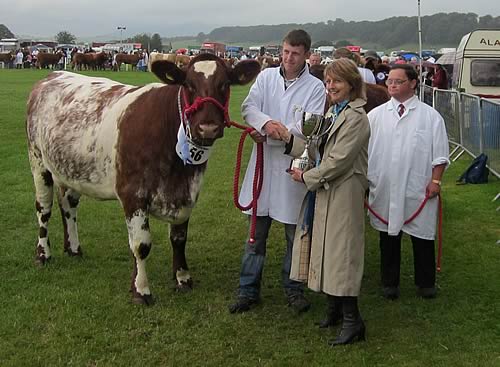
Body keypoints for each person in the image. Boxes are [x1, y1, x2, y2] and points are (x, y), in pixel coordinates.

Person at [228, 29, 326, 314]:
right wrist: (263, 124)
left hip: (292, 168)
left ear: (306, 54)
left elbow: (309, 129)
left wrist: (275, 133)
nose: (288, 58)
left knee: (293, 236)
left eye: (295, 53)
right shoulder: (267, 77)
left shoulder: (316, 88)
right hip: (261, 165)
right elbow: (249, 106)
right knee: (255, 235)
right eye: (285, 52)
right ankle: (248, 289)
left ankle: (293, 289)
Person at [283, 58, 370, 346]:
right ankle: (334, 310)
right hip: (326, 190)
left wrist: (306, 177)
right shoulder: (334, 111)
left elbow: (338, 162)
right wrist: (286, 140)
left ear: (352, 85)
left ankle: (353, 320)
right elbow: (314, 147)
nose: (330, 86)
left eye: (337, 81)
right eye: (328, 81)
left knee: (342, 254)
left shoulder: (356, 118)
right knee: (327, 250)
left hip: (344, 192)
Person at [367, 64, 449, 300]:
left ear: (413, 83)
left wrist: (436, 181)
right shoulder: (375, 116)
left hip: (418, 186)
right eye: (389, 81)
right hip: (384, 185)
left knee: (422, 236)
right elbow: (364, 151)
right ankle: (389, 282)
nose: (391, 85)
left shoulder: (430, 116)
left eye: (397, 81)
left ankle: (426, 283)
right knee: (388, 236)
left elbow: (440, 153)